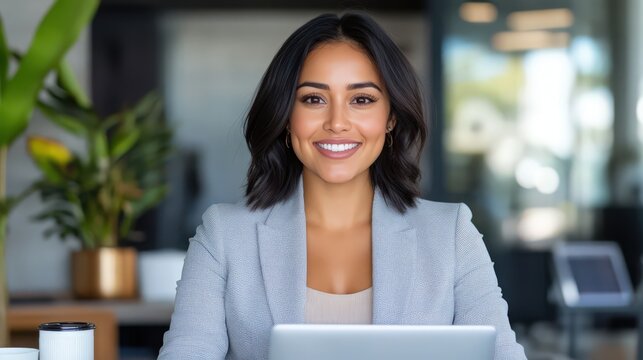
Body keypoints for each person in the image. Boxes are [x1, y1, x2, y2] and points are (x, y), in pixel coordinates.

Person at [158, 12, 527, 360]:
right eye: (314, 99)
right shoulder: (224, 235)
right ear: (287, 117)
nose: (337, 122)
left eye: (361, 99)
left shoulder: (452, 234)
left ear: (391, 118)